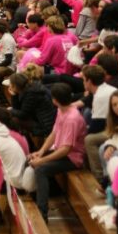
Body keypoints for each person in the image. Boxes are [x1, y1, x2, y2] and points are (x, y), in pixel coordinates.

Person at [27, 82, 87, 221]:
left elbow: (66, 150)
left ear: (54, 100)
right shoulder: (62, 109)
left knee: (41, 170)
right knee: (30, 158)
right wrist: (40, 152)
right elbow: (54, 133)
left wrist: (41, 160)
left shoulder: (72, 118)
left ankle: (42, 212)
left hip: (72, 158)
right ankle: (33, 195)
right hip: (61, 151)